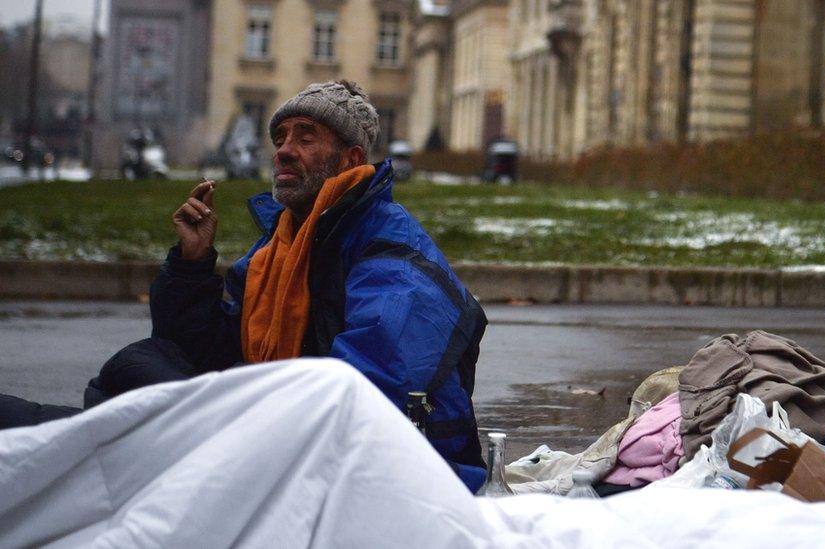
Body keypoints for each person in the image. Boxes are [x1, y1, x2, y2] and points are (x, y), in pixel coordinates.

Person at [0, 80, 488, 492]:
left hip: (387, 473)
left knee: (109, 415)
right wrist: (193, 266)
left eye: (306, 137)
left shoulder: (391, 249)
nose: (284, 149)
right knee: (139, 367)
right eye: (279, 136)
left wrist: (236, 422)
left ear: (350, 157)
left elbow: (360, 390)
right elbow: (207, 350)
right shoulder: (282, 243)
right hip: (287, 438)